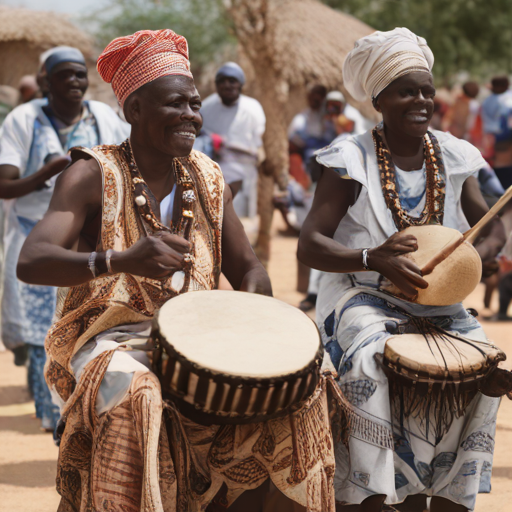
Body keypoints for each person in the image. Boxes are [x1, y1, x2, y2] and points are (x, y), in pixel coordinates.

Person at [17, 29, 337, 511]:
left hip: (202, 335)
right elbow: (32, 260)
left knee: (309, 381)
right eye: (174, 104)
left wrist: (253, 318)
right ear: (134, 110)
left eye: (194, 104)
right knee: (137, 393)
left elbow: (250, 267)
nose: (190, 115)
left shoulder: (208, 178)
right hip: (112, 339)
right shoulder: (91, 175)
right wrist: (118, 260)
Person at [298, 28, 507, 512]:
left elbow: (489, 222)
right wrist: (372, 257)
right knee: (371, 354)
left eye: (428, 90)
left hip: (436, 298)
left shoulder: (453, 155)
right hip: (359, 291)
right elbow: (310, 243)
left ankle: (451, 492)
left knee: (482, 359)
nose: (422, 100)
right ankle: (371, 493)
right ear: (379, 99)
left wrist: (488, 252)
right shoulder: (349, 159)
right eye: (407, 90)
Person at [0, 46, 129, 431]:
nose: (75, 81)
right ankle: (53, 418)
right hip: (37, 240)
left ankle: (81, 414)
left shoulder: (102, 116)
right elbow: (4, 186)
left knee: (88, 325)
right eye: (65, 75)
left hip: (93, 240)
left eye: (80, 74)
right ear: (45, 81)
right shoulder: (25, 119)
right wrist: (47, 173)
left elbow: (127, 159)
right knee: (44, 329)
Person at [200, 62, 266, 219]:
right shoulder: (207, 107)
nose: (227, 85)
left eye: (232, 81)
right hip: (214, 170)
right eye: (222, 81)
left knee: (239, 218)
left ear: (240, 84)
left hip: (244, 170)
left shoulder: (253, 108)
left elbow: (257, 140)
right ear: (216, 85)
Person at [481, 76, 512, 189]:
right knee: (505, 165)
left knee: (496, 165)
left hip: (489, 138)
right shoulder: (508, 99)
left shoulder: (487, 101)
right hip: (505, 138)